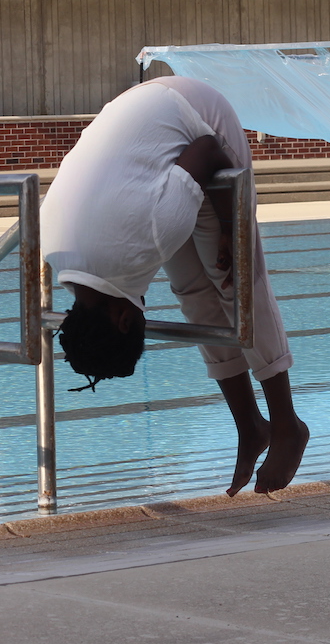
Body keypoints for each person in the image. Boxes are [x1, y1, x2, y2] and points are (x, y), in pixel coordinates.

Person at [40, 76, 309, 495]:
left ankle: (288, 425)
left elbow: (208, 151)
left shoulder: (146, 233)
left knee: (234, 281)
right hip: (140, 134)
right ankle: (252, 427)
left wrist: (226, 228)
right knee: (192, 294)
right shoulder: (57, 252)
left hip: (197, 114)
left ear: (125, 319)